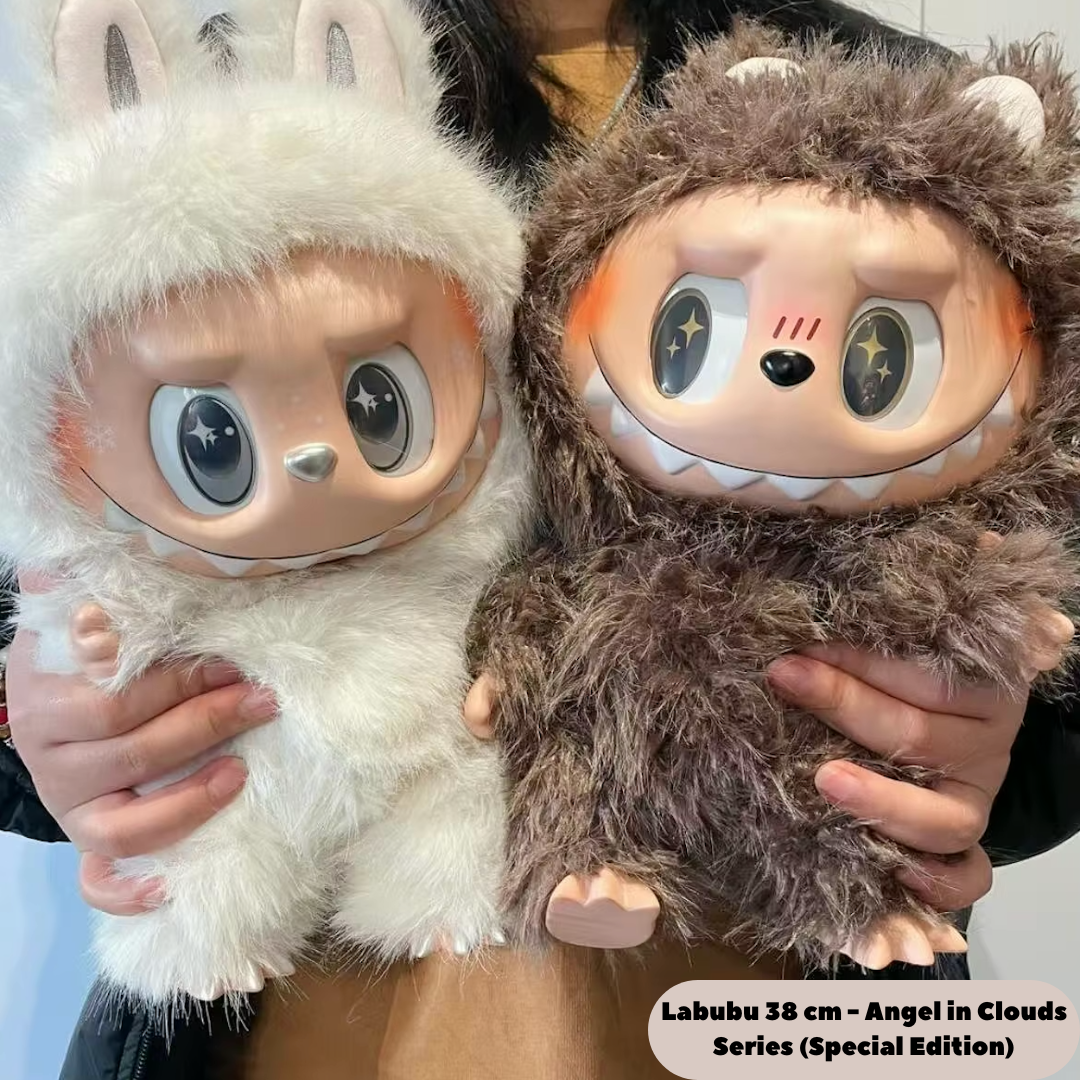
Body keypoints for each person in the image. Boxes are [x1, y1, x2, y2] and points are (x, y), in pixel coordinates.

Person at [1, 1, 1078, 1077]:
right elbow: (43, 523)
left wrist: (990, 724)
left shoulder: (891, 101)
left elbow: (1048, 593)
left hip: (776, 980)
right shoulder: (227, 85)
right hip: (282, 1001)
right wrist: (48, 721)